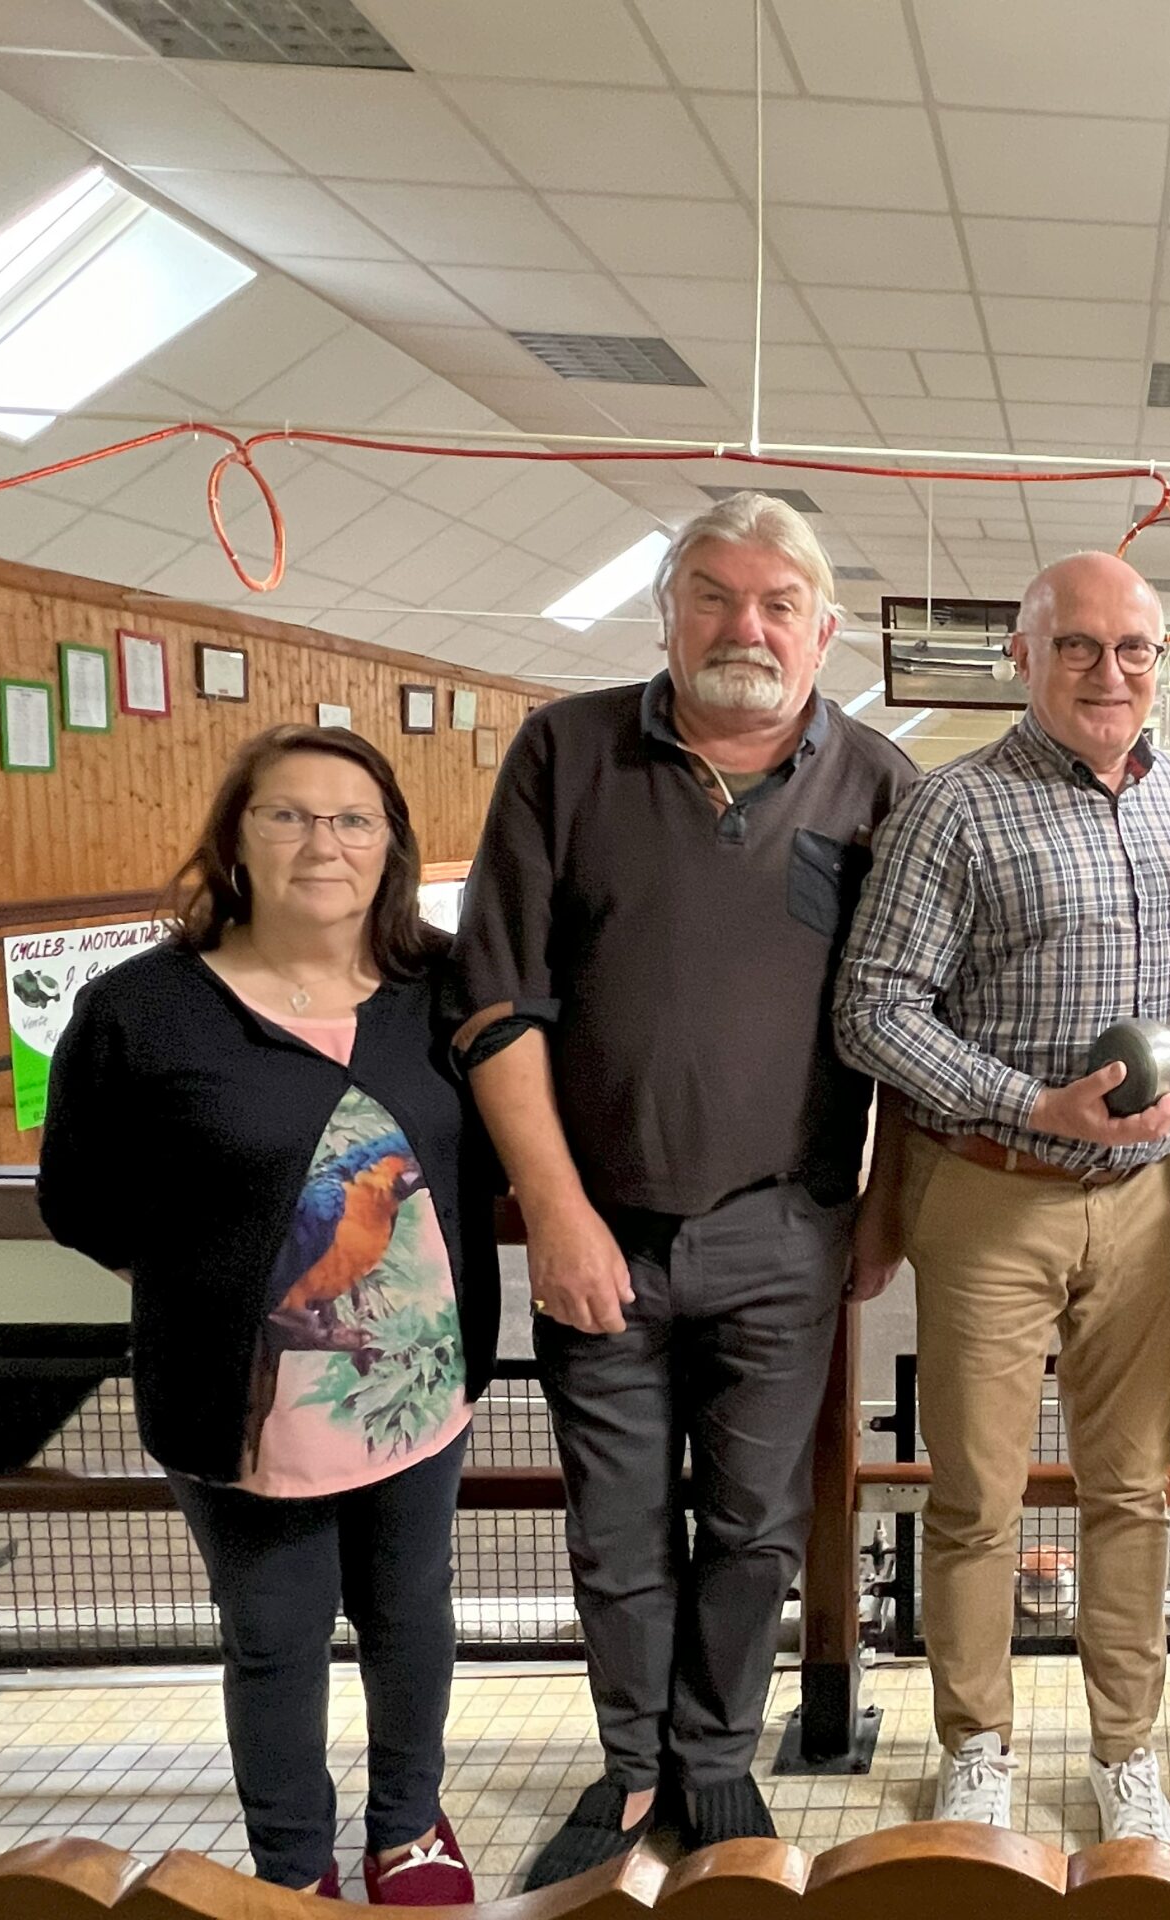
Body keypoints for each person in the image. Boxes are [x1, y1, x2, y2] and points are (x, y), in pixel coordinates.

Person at [449, 493, 917, 1886]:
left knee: (758, 1525)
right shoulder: (564, 751)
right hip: (600, 1230)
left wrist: (880, 1207)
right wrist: (556, 1210)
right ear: (666, 612)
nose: (747, 626)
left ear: (826, 629)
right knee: (617, 1524)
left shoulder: (879, 785)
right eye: (714, 595)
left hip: (787, 1226)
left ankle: (715, 1762)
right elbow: (495, 1001)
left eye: (780, 603)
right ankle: (632, 1759)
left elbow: (912, 1022)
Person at [39, 724, 497, 1904]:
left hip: (414, 1391)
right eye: (286, 815)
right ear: (235, 840)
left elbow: (493, 1154)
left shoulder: (442, 989)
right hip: (240, 1403)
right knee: (275, 1642)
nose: (322, 843)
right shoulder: (142, 1010)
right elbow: (81, 1200)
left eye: (353, 819)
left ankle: (408, 1827)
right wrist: (217, 1286)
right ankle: (295, 1873)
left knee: (410, 1619)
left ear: (390, 845)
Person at [834, 552, 1170, 1846]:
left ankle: (1126, 1753)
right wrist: (1026, 1102)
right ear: (1024, 657)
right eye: (1080, 647)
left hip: (1150, 1204)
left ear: (1162, 661)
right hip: (992, 1194)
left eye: (1136, 649)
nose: (1112, 673)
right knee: (978, 1499)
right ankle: (976, 1744)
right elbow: (871, 1009)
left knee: (1133, 1493)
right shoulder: (953, 810)